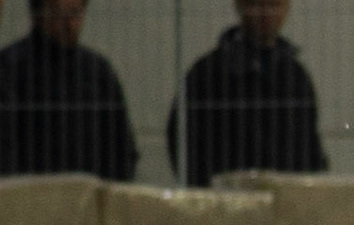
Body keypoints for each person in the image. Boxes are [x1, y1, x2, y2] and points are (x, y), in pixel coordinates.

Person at [167, 0, 328, 187]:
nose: (266, 13)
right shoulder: (208, 73)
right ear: (239, 6)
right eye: (256, 4)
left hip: (285, 201)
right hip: (226, 200)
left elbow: (309, 144)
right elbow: (180, 137)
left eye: (274, 5)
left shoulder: (295, 76)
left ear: (286, 8)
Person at [0, 0, 137, 181]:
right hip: (29, 196)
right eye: (58, 13)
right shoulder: (9, 68)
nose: (69, 23)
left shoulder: (97, 71)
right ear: (37, 16)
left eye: (75, 12)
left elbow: (121, 147)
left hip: (88, 196)